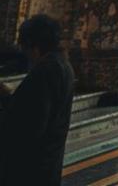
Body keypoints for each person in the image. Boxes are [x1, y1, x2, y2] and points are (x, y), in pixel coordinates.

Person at [0, 15, 74, 186]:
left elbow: (29, 125)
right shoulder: (64, 65)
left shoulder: (46, 72)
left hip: (29, 169)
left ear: (34, 46)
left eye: (25, 47)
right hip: (47, 164)